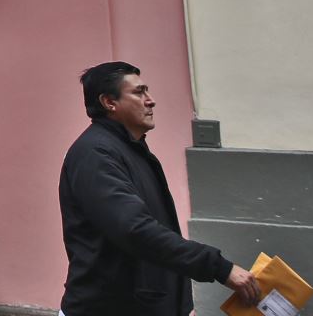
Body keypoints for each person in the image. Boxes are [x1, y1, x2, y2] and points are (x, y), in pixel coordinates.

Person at [60, 62, 261, 316]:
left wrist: (179, 305)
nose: (151, 100)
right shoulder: (95, 154)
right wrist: (219, 268)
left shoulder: (130, 150)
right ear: (109, 102)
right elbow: (135, 230)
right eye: (139, 92)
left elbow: (157, 234)